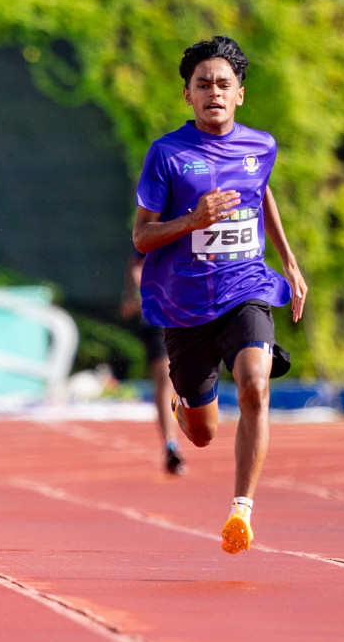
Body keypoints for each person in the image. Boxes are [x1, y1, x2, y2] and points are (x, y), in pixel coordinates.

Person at [132, 35, 307, 554]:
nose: (214, 91)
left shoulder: (261, 146)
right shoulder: (167, 155)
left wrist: (290, 262)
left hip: (245, 287)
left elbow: (262, 191)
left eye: (223, 84)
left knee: (255, 384)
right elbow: (141, 236)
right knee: (203, 432)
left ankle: (242, 510)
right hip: (184, 306)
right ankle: (189, 402)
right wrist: (193, 221)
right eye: (203, 84)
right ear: (187, 94)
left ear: (240, 95)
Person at [121, 251, 184, 475]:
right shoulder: (157, 221)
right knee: (164, 378)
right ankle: (170, 445)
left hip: (189, 313)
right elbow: (135, 262)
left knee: (183, 378)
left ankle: (188, 425)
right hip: (157, 316)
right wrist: (135, 296)